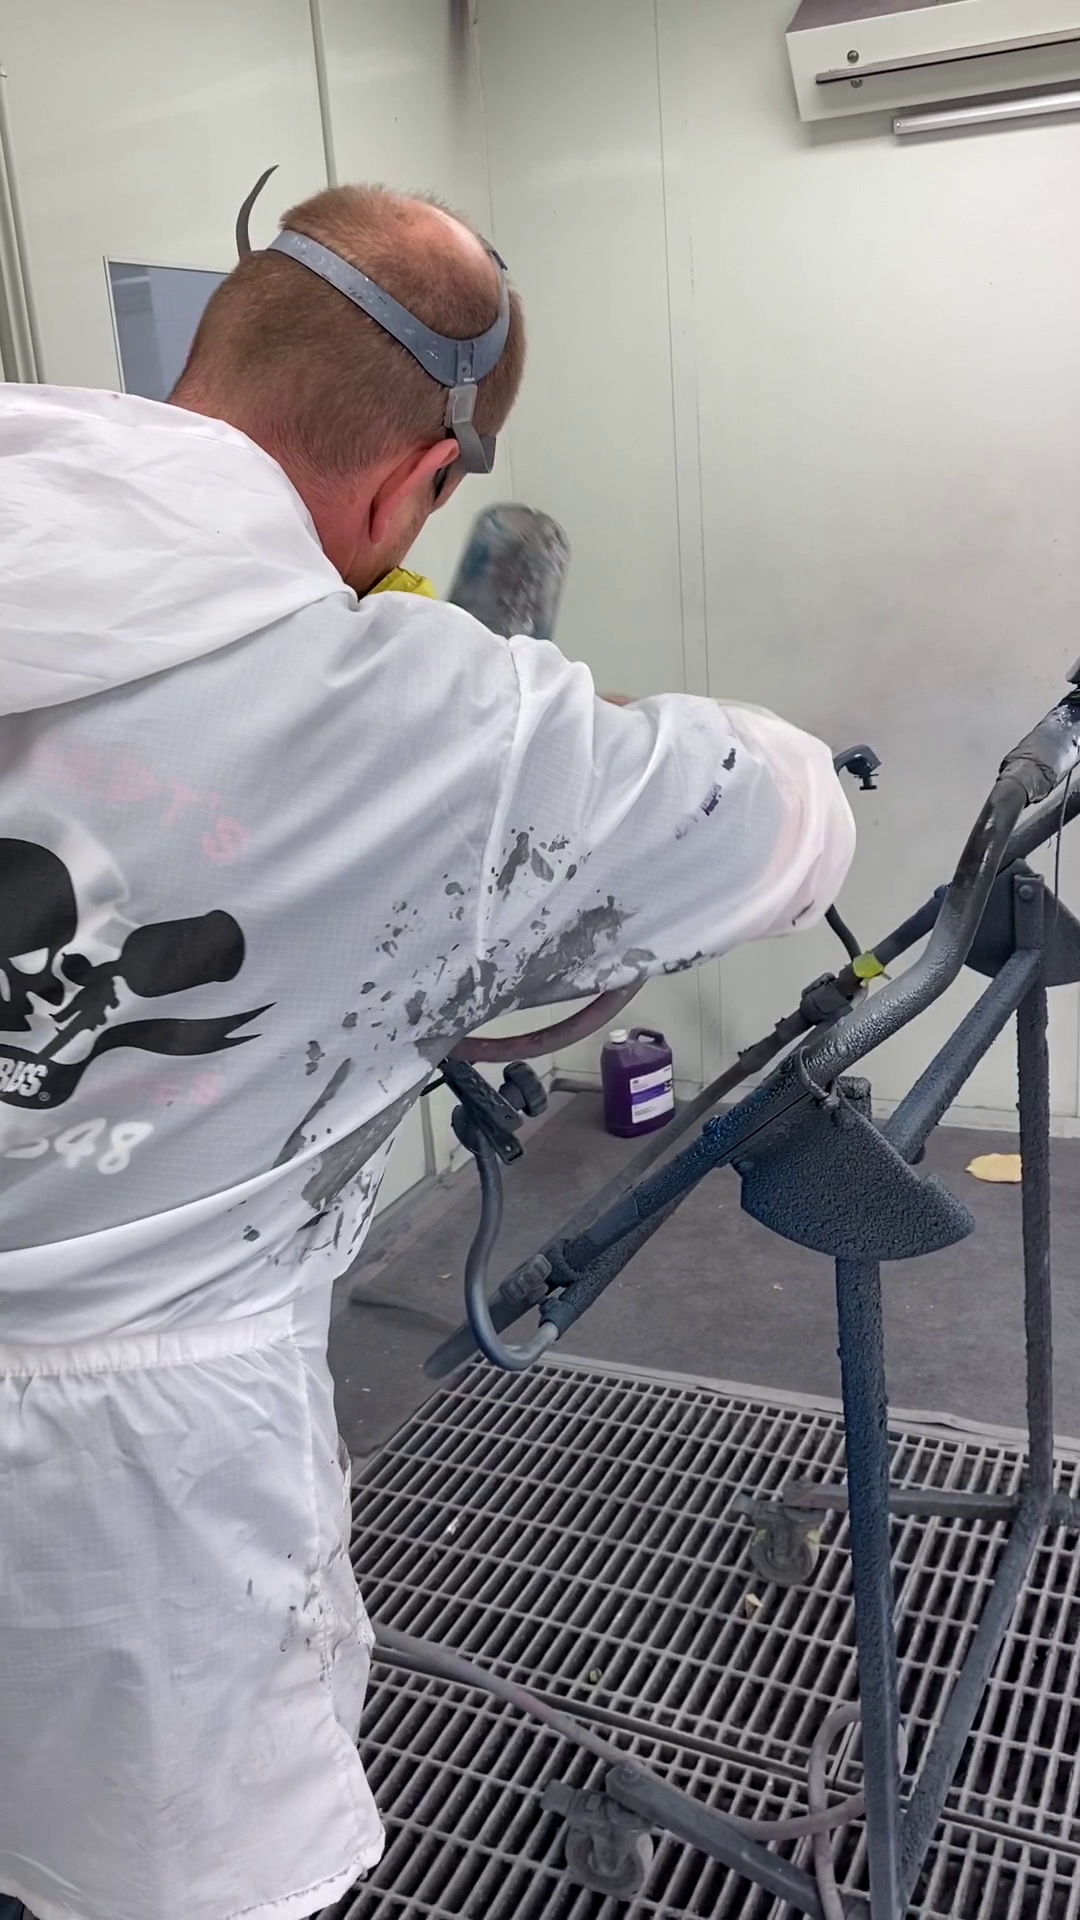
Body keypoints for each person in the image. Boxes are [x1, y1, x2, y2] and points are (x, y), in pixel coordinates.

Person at [0, 183, 855, 1920]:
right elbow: (784, 821)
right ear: (414, 486)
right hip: (130, 1511)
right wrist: (530, 716)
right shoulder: (437, 718)